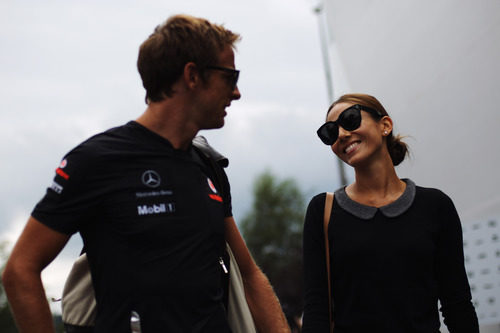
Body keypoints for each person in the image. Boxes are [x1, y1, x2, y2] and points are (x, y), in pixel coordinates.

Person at [2, 14, 289, 332]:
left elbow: (249, 275)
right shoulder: (97, 161)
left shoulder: (206, 163)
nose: (237, 93)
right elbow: (20, 269)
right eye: (230, 77)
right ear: (192, 75)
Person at [302, 93, 479, 332]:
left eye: (351, 119)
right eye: (330, 132)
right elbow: (316, 310)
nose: (342, 134)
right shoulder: (322, 210)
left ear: (385, 125)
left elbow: (457, 305)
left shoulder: (436, 205)